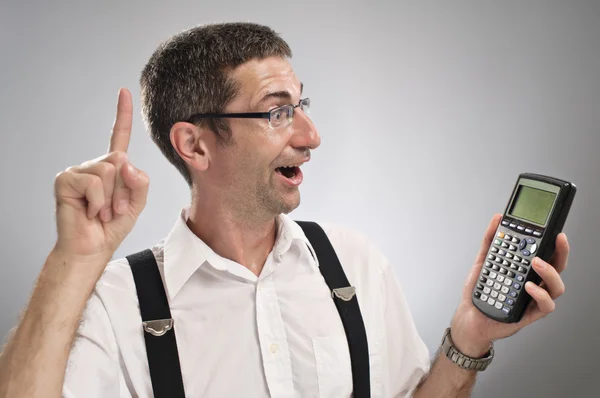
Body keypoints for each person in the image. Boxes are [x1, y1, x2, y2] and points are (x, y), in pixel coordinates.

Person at [0, 22, 569, 398]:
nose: (312, 134)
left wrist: (470, 337)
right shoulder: (115, 304)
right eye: (276, 113)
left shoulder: (355, 263)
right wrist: (73, 261)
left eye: (303, 105)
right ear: (195, 145)